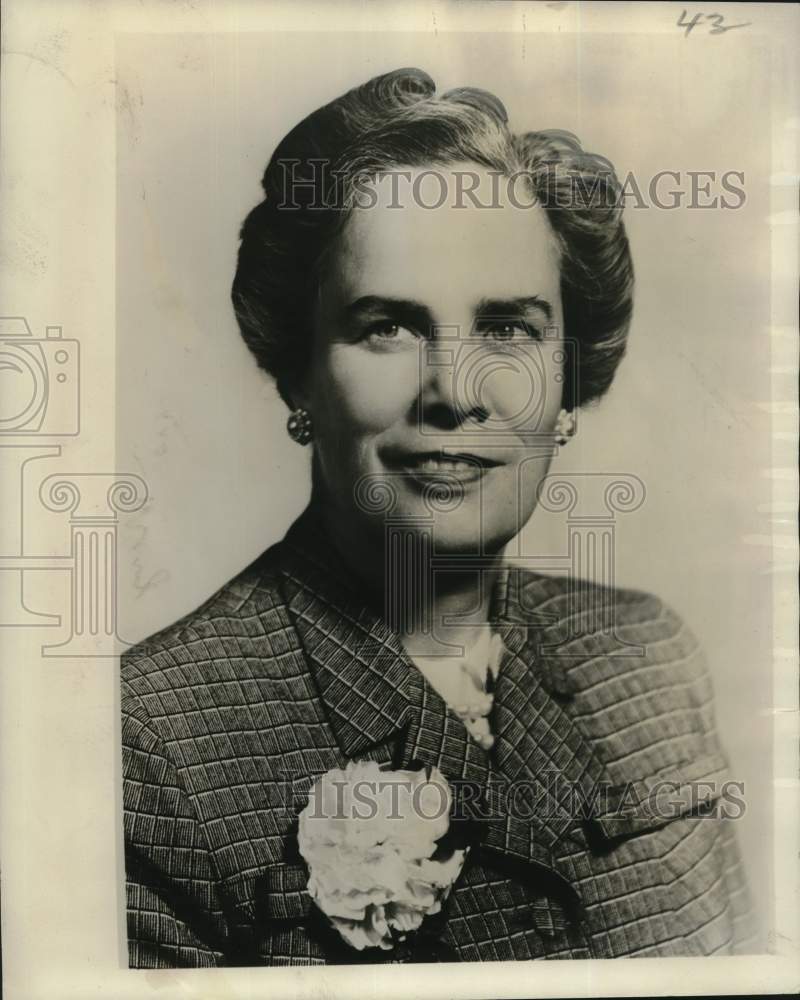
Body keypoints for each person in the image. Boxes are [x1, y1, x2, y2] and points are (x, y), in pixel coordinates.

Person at [121, 67, 757, 966]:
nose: (456, 393)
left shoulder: (651, 661)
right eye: (387, 324)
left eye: (508, 329)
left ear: (568, 382)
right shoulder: (149, 746)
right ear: (298, 371)